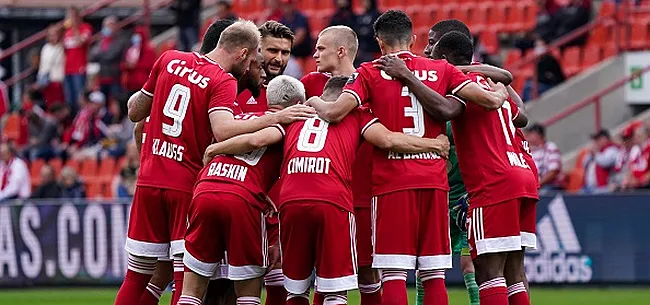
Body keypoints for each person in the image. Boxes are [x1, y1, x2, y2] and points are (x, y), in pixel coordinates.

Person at [306, 11, 509, 305]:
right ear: (413, 40)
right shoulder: (441, 68)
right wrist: (502, 91)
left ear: (379, 41)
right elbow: (489, 101)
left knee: (393, 275)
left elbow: (334, 112)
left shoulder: (368, 73)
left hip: (392, 183)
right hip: (434, 182)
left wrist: (311, 102)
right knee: (433, 275)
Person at [205, 75, 450, 305]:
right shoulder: (357, 113)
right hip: (333, 200)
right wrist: (433, 144)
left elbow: (257, 139)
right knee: (334, 292)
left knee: (296, 290)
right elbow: (387, 140)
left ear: (324, 94)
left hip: (292, 201)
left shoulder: (298, 114)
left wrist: (216, 149)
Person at [116, 20, 313, 305]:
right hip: (205, 191)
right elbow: (144, 126)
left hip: (256, 203)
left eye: (285, 53)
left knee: (273, 284)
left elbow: (137, 115)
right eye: (269, 50)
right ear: (249, 53)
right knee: (194, 284)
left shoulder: (291, 93)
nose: (277, 58)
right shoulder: (230, 85)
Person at [431, 31, 538, 305]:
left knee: (488, 271)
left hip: (494, 182)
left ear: (444, 59)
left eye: (433, 54)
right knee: (514, 270)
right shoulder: (491, 83)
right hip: (524, 173)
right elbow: (521, 115)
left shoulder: (461, 86)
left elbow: (445, 111)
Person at [300, 25, 381, 305]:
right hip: (323, 190)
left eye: (321, 48)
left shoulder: (371, 83)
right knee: (323, 271)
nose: (315, 53)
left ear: (341, 51)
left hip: (363, 193)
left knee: (369, 271)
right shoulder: (309, 83)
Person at [237, 21, 294, 113]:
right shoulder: (236, 88)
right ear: (257, 50)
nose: (278, 59)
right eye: (273, 50)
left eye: (285, 53)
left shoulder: (295, 93)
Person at [301, 26, 357, 98]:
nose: (315, 55)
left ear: (340, 52)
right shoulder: (311, 82)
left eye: (321, 49)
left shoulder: (366, 86)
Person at [62, 6, 93, 115]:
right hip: (67, 69)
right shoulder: (67, 32)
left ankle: (81, 119)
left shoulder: (86, 28)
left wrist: (75, 27)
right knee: (69, 99)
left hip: (79, 68)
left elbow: (81, 42)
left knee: (79, 97)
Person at [90, 16, 129, 100]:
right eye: (106, 25)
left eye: (110, 25)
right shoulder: (101, 41)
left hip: (114, 77)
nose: (108, 28)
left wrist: (101, 53)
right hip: (102, 77)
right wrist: (101, 50)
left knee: (117, 100)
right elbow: (92, 56)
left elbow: (111, 55)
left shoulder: (121, 40)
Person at [525, 123, 563, 192]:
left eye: (530, 133)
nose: (527, 136)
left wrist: (537, 185)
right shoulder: (531, 150)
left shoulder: (550, 147)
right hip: (536, 186)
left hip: (551, 186)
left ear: (537, 135)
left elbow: (554, 171)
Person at [582, 129, 621, 193]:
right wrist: (591, 153)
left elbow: (605, 162)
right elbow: (584, 164)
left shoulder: (612, 149)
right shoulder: (596, 151)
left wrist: (595, 153)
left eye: (597, 139)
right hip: (589, 187)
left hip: (605, 187)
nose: (595, 142)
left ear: (605, 139)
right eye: (595, 140)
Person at [37, 25, 66, 108]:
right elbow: (42, 65)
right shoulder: (45, 48)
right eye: (50, 35)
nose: (53, 37)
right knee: (49, 105)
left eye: (55, 34)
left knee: (59, 105)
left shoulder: (62, 47)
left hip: (58, 81)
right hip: (47, 81)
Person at [279, 0, 312, 73]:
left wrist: (286, 46)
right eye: (284, 5)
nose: (286, 8)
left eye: (288, 5)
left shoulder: (300, 17)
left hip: (302, 53)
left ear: (293, 5)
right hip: (290, 53)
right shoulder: (282, 19)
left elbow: (300, 35)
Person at [122, 26, 156, 93]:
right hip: (131, 84)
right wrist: (126, 65)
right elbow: (123, 63)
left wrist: (135, 65)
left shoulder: (149, 50)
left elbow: (150, 65)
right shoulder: (131, 49)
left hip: (143, 83)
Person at [355, 0, 381, 64]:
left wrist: (363, 31)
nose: (364, 3)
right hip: (362, 49)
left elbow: (374, 32)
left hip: (373, 49)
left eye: (366, 1)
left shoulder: (378, 16)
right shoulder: (361, 16)